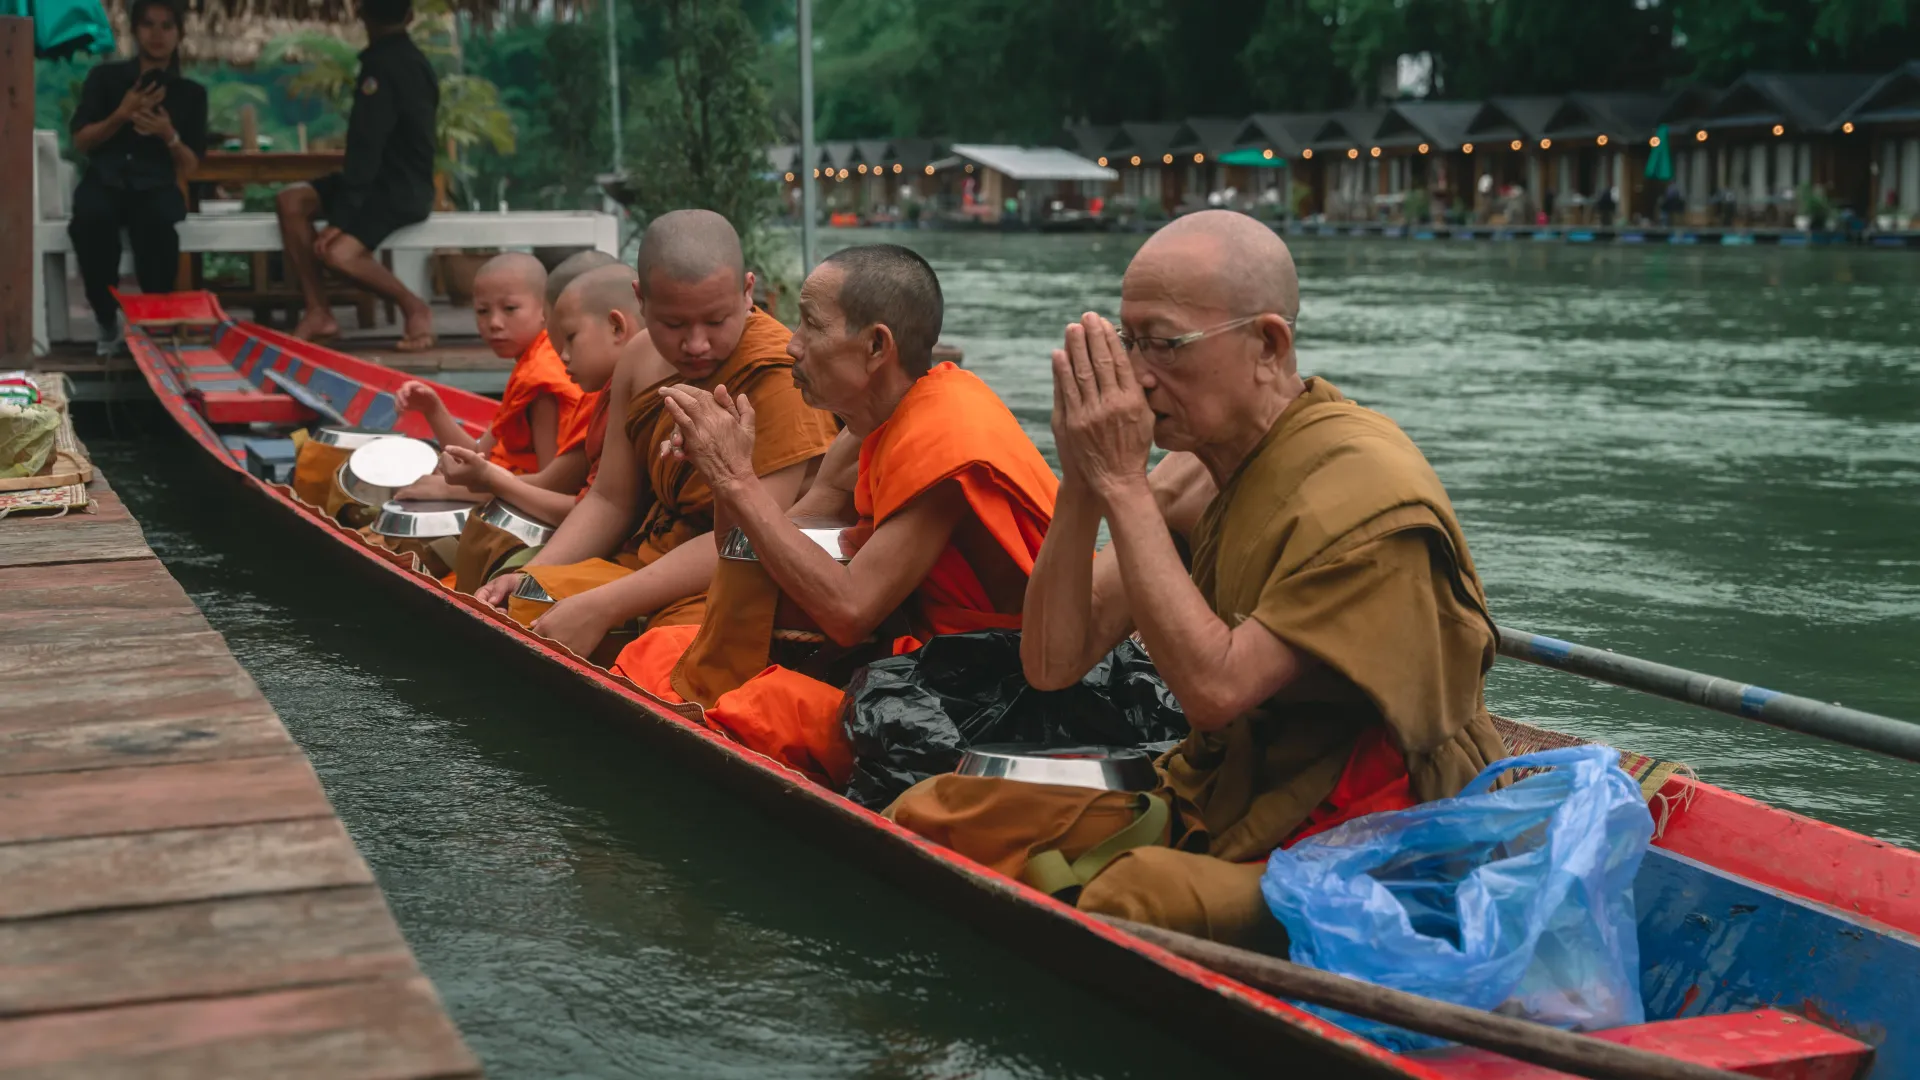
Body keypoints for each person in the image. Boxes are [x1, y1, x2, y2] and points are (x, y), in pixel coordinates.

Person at [885, 211, 1508, 945]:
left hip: (1378, 834)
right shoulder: (1196, 471)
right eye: (1128, 342)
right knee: (935, 809)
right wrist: (1085, 477)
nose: (1140, 374)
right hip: (1228, 789)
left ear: (1268, 345)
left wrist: (1122, 481)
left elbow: (1213, 693)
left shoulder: (1361, 490)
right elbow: (1053, 661)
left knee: (1134, 899)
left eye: (1165, 345)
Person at [609, 245, 1058, 787]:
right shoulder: (864, 429)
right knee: (658, 651)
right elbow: (764, 554)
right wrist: (729, 477)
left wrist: (735, 478)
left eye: (811, 325)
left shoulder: (948, 434)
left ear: (875, 346)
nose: (792, 344)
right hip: (909, 668)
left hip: (986, 697)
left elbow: (849, 611)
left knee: (758, 707)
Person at [475, 210, 839, 659]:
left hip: (738, 579)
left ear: (747, 292)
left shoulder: (777, 375)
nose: (696, 344)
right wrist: (538, 569)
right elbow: (611, 500)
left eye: (716, 320)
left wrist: (605, 605)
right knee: (517, 599)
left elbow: (749, 540)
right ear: (641, 300)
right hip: (652, 558)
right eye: (673, 324)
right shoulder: (637, 357)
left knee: (654, 657)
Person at [445, 263, 671, 592]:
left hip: (645, 554)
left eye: (570, 340)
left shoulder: (601, 394)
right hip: (623, 542)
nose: (562, 357)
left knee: (497, 563)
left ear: (617, 326)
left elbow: (574, 494)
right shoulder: (603, 393)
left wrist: (488, 480)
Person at [273, 0, 438, 349]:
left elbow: (367, 146)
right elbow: (367, 156)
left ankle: (414, 307)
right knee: (292, 201)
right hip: (375, 182)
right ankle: (318, 311)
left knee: (339, 253)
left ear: (359, 13)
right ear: (409, 17)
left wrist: (342, 220)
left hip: (398, 189)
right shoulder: (408, 62)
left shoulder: (386, 65)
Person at [66, 0, 207, 356]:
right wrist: (121, 114)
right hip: (106, 178)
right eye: (149, 25)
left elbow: (192, 165)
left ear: (179, 34)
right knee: (90, 218)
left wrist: (168, 134)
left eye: (166, 26)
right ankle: (105, 318)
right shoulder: (105, 79)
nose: (157, 35)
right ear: (135, 30)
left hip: (156, 184)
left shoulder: (191, 94)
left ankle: (154, 324)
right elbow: (82, 141)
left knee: (159, 224)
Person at [393, 253, 591, 502]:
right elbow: (478, 454)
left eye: (510, 309)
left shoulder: (542, 381)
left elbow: (549, 486)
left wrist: (451, 490)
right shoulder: (527, 367)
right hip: (506, 484)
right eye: (482, 311)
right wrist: (432, 408)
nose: (494, 323)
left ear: (546, 309)